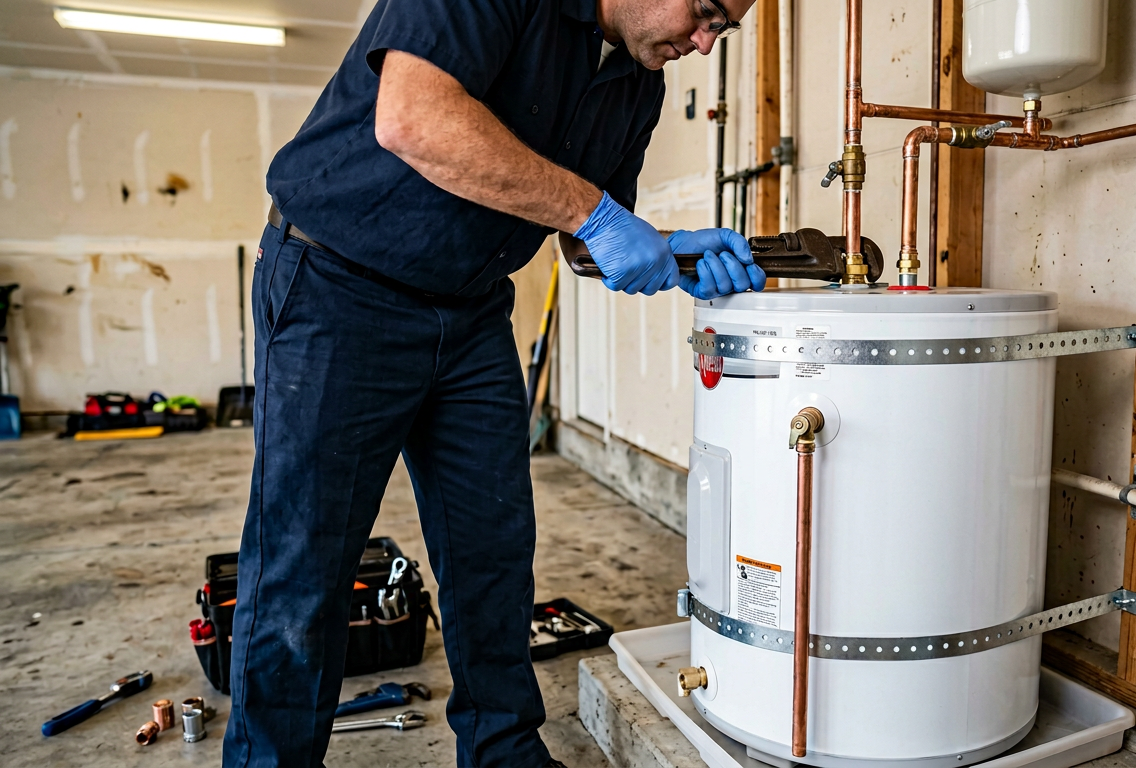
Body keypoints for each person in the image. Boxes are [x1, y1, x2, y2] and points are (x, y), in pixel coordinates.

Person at [221, 0, 762, 764]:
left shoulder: (635, 85)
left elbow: (586, 235)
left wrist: (666, 248)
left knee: (494, 552)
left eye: (723, 31)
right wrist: (599, 215)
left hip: (471, 310)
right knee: (303, 564)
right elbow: (411, 117)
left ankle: (503, 749)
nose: (704, 43)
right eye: (705, 12)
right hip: (338, 289)